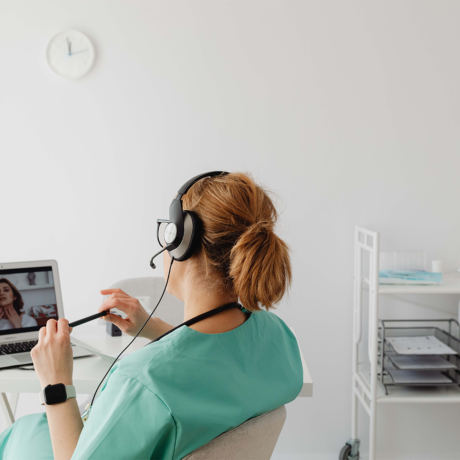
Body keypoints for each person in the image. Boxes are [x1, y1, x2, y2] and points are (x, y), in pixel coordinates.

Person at [0, 172, 303, 460]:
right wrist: (154, 328)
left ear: (182, 241)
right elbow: (216, 366)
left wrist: (55, 382)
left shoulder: (142, 383)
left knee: (21, 431)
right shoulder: (276, 335)